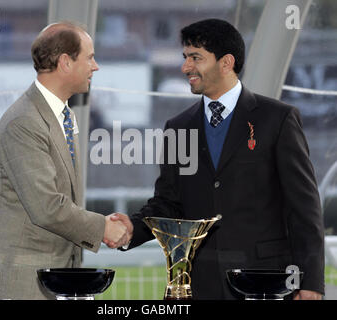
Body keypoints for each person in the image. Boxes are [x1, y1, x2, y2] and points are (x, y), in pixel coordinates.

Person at [112, 18, 325, 300]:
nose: (185, 67)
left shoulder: (278, 119)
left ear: (226, 62)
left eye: (195, 58)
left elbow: (304, 207)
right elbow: (168, 203)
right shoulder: (178, 126)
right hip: (198, 283)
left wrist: (310, 282)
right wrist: (132, 228)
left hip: (265, 281)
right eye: (185, 57)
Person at [0, 21, 129, 300]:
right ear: (65, 62)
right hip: (16, 284)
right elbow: (46, 206)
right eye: (89, 57)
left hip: (50, 279)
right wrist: (103, 228)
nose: (96, 66)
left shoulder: (64, 116)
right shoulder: (24, 122)